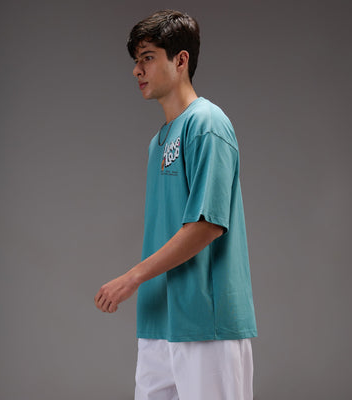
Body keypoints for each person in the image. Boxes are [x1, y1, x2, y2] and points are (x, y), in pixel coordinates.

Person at [94, 10, 258, 400]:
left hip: (205, 322)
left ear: (180, 60)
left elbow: (207, 225)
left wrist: (132, 277)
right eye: (136, 60)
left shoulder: (207, 124)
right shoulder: (159, 142)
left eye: (148, 57)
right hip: (158, 321)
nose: (137, 70)